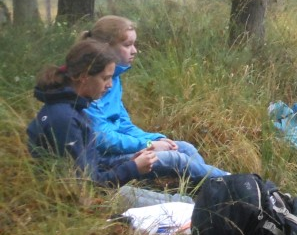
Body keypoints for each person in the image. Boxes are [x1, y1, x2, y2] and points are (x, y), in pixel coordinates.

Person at [82, 16, 228, 183]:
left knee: (186, 148)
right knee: (174, 159)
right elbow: (102, 138)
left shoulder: (114, 79)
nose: (135, 50)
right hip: (102, 159)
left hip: (117, 150)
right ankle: (232, 183)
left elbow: (123, 123)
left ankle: (211, 191)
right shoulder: (91, 82)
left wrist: (156, 138)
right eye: (128, 45)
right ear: (106, 48)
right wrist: (148, 144)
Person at [28, 39, 158, 186]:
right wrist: (132, 168)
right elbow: (86, 186)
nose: (110, 85)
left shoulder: (74, 108)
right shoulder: (65, 120)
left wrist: (130, 161)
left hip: (98, 193)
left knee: (182, 202)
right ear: (84, 77)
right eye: (105, 78)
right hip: (86, 204)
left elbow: (91, 165)